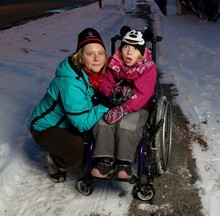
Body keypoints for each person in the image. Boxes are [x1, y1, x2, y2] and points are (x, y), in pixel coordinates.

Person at [28, 28, 109, 183]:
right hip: (47, 128)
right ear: (80, 57)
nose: (97, 58)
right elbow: (82, 124)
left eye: (100, 53)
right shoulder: (70, 82)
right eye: (90, 53)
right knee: (79, 155)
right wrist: (106, 104)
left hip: (71, 120)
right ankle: (55, 162)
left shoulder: (98, 74)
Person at [91, 26, 157, 180]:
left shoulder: (148, 67)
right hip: (115, 103)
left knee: (126, 124)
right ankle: (105, 161)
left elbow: (143, 94)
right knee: (104, 122)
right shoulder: (114, 63)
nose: (129, 52)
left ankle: (124, 163)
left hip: (138, 107)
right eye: (126, 47)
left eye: (134, 49)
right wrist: (112, 92)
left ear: (141, 53)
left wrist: (125, 108)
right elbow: (105, 82)